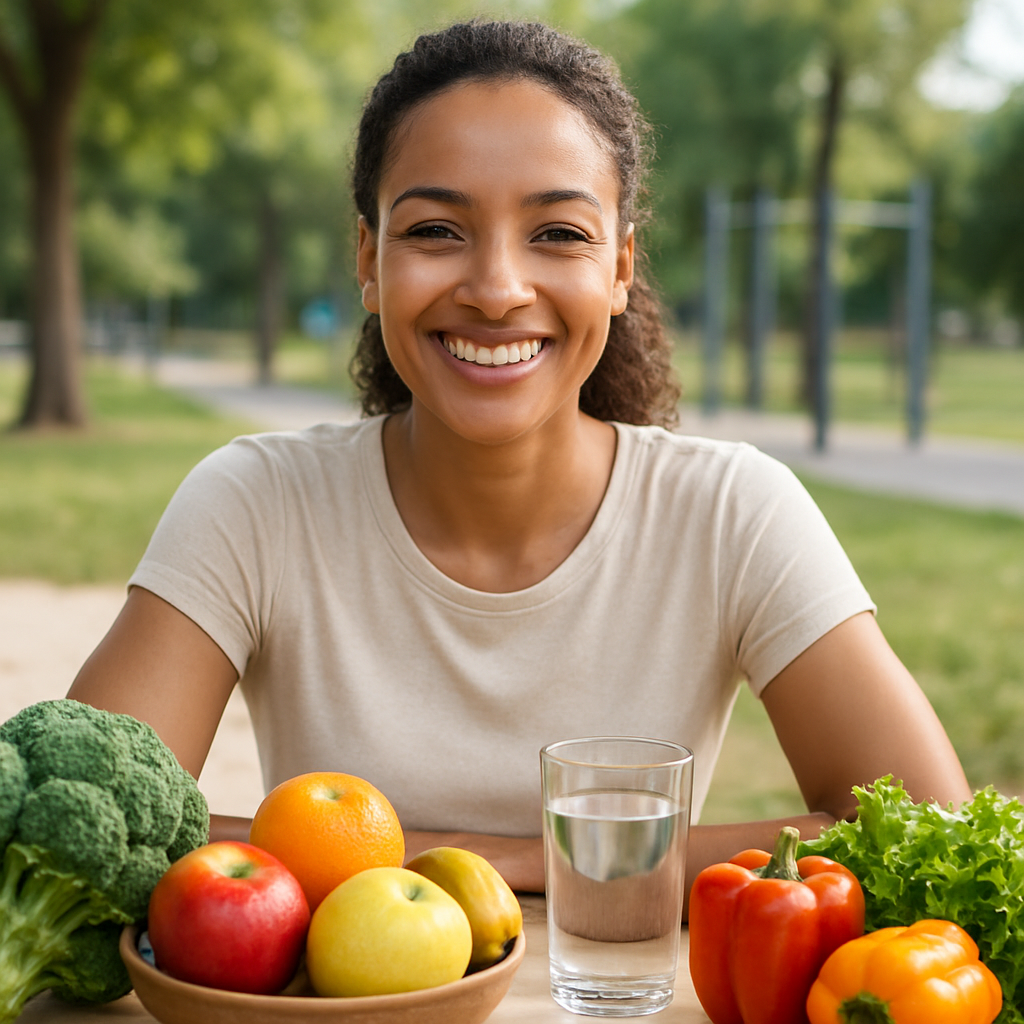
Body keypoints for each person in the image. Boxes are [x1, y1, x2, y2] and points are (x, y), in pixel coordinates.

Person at [69, 20, 970, 903]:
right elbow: (89, 820)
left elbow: (927, 828)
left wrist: (533, 860)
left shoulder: (734, 511)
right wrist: (462, 859)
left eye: (559, 234)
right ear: (369, 260)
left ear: (620, 268)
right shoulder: (256, 503)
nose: (498, 289)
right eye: (435, 230)